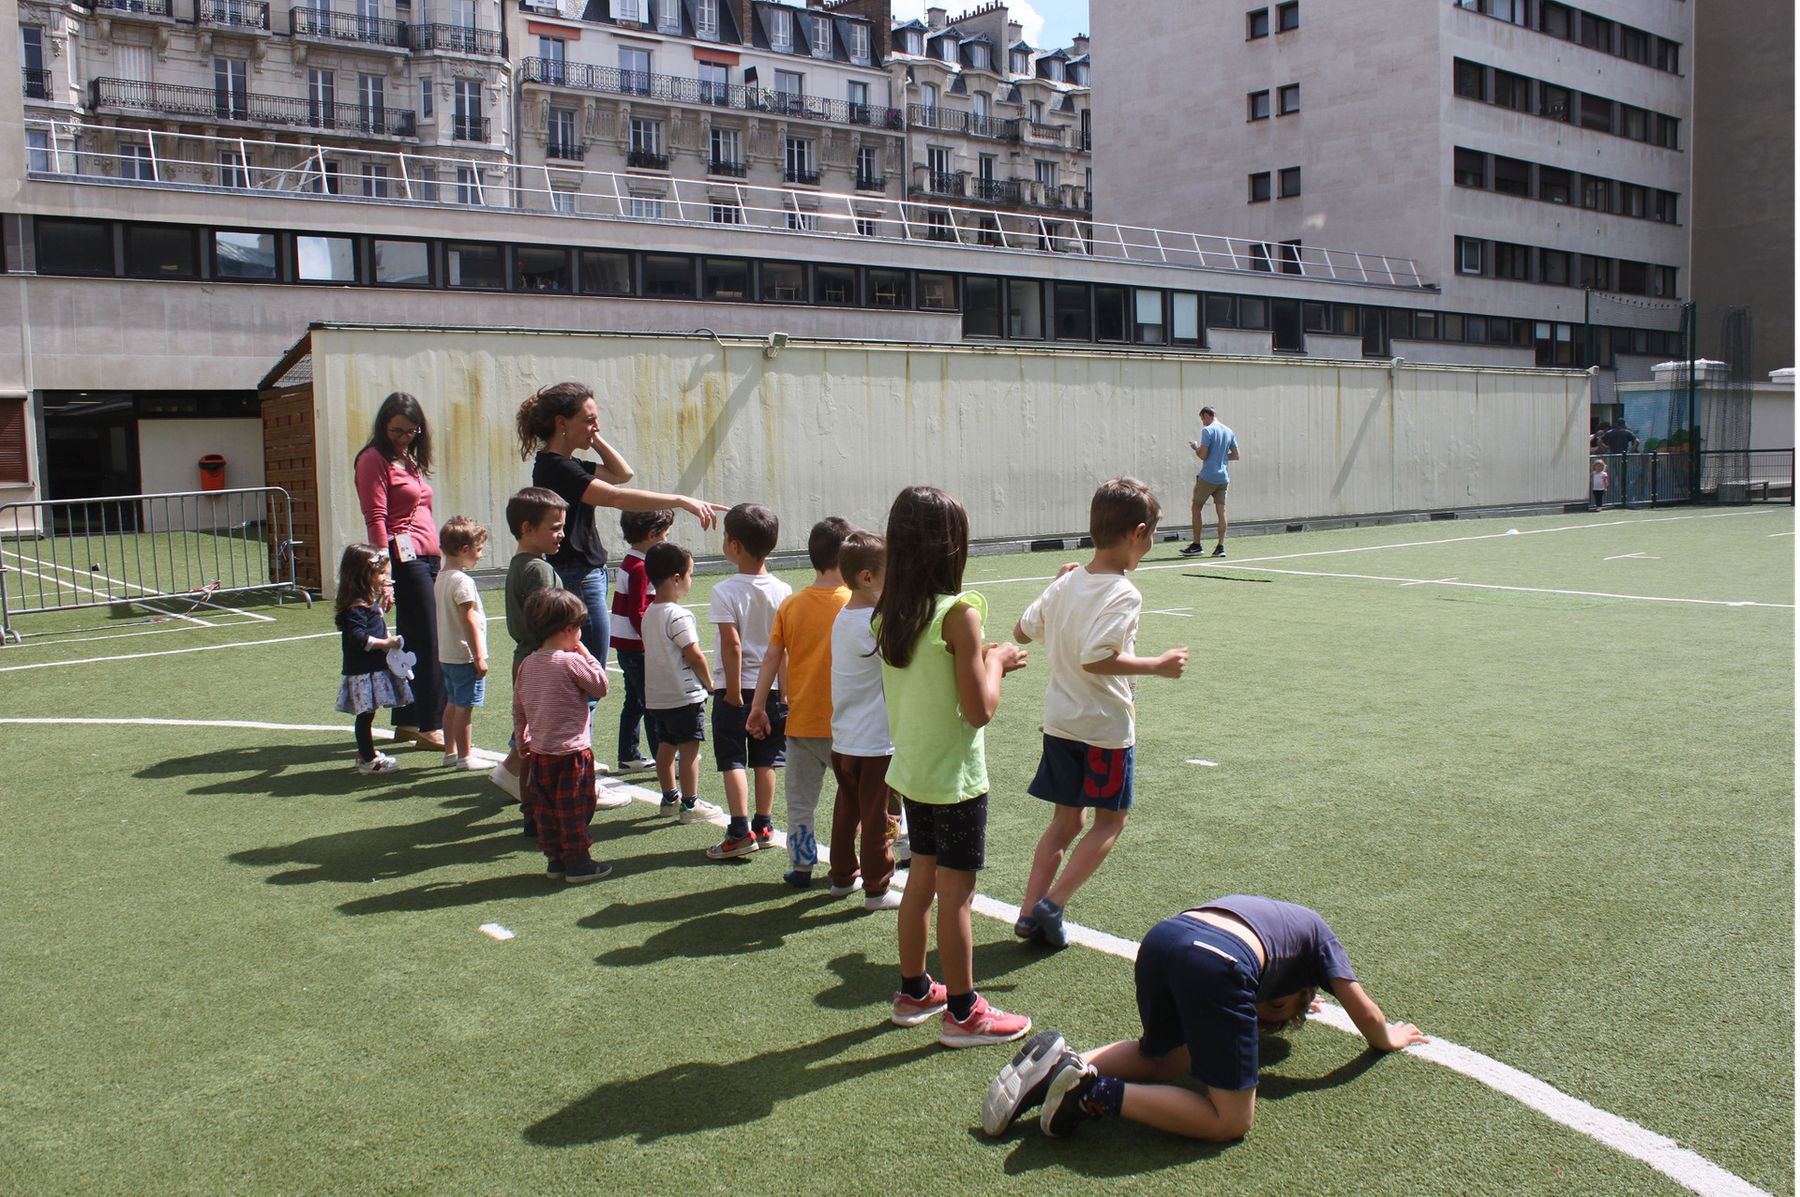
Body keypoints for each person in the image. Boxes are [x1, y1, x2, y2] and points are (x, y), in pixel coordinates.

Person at [980, 896, 1428, 1141]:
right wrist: (1387, 1036)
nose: (1259, 1008)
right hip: (1219, 961)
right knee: (1230, 1121)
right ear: (1310, 990)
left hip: (1163, 938)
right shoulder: (1318, 941)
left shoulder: (1283, 928)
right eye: (1274, 1007)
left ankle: (1063, 1062)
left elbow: (1258, 976)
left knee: (1163, 1059)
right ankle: (1095, 1091)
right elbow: (1363, 1011)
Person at [877, 485, 1032, 1048]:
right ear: (950, 548)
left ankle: (914, 989)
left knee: (920, 878)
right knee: (957, 893)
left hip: (915, 772)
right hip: (955, 779)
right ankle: (964, 1012)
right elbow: (980, 709)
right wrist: (996, 659)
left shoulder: (890, 612)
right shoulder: (959, 614)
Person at [1012, 479, 1188, 947]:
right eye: (1151, 537)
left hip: (1060, 722)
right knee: (1111, 821)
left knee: (1065, 822)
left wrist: (1056, 587)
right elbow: (1097, 656)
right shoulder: (1125, 593)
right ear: (1137, 532)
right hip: (1104, 728)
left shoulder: (1069, 580)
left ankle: (1028, 913)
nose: (1149, 546)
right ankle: (1053, 904)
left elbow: (1021, 629)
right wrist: (1157, 665)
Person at [515, 382, 727, 771]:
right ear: (562, 423)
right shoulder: (556, 467)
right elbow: (614, 497)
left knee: (580, 663)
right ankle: (557, 757)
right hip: (576, 573)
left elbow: (622, 474)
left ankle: (541, 756)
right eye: (589, 420)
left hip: (585, 571)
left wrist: (593, 438)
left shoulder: (568, 464)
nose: (595, 427)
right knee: (584, 667)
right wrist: (680, 499)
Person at [748, 517, 853, 888]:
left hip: (802, 723)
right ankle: (866, 859)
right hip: (849, 728)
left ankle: (802, 865)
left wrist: (758, 706)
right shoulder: (856, 603)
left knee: (801, 802)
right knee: (861, 800)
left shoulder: (792, 605)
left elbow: (772, 658)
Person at [353, 391, 446, 750]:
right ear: (383, 427)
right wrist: (384, 573)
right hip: (403, 559)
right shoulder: (372, 459)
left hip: (427, 555)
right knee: (429, 639)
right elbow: (375, 518)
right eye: (396, 431)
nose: (404, 437)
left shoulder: (409, 460)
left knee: (412, 637)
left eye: (411, 431)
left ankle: (408, 720)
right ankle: (432, 723)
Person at [705, 504, 791, 860]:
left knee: (732, 760)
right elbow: (784, 649)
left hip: (734, 691)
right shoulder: (784, 589)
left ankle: (739, 831)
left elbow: (732, 644)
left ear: (735, 545)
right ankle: (764, 824)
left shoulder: (725, 590)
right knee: (765, 760)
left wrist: (736, 693)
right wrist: (785, 694)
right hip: (771, 690)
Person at [827, 530, 905, 912]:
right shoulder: (874, 624)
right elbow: (902, 661)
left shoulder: (844, 618)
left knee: (848, 809)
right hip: (874, 742)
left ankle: (842, 877)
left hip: (844, 740)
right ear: (867, 578)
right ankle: (876, 886)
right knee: (878, 816)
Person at [513, 588, 613, 884]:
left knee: (547, 809)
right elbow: (601, 686)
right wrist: (586, 653)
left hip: (541, 753)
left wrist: (522, 739)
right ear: (568, 630)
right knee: (575, 808)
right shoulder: (570, 662)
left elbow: (518, 708)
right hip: (572, 754)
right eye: (578, 629)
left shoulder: (527, 664)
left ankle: (555, 859)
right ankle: (578, 862)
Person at [489, 488, 564, 809]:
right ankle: (539, 797)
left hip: (527, 658)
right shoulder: (537, 569)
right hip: (542, 660)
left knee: (532, 729)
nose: (561, 534)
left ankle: (520, 782)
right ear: (526, 528)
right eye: (554, 527)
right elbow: (549, 620)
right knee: (544, 732)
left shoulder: (524, 564)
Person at [640, 541, 722, 825]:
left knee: (665, 746)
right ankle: (690, 803)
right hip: (684, 695)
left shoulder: (650, 613)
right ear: (676, 578)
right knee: (689, 750)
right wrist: (710, 682)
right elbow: (693, 654)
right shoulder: (678, 615)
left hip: (658, 697)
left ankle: (669, 798)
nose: (690, 581)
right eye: (689, 575)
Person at [333, 542, 413, 775]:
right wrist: (386, 643)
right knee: (365, 716)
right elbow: (358, 638)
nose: (384, 578)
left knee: (368, 714)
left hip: (372, 669)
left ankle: (366, 753)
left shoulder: (367, 604)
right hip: (362, 671)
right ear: (361, 575)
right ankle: (368, 760)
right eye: (380, 573)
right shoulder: (356, 608)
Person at [611, 508, 675, 772]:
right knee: (651, 705)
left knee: (635, 701)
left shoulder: (631, 561)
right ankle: (665, 761)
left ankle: (629, 754)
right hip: (637, 648)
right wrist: (653, 640)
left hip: (629, 646)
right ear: (652, 535)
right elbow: (638, 611)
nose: (667, 541)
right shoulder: (640, 567)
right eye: (665, 536)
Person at [434, 516, 490, 769]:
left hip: (447, 654)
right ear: (464, 549)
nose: (479, 556)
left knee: (453, 703)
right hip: (463, 655)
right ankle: (465, 757)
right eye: (478, 550)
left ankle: (451, 752)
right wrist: (479, 656)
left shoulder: (442, 577)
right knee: (464, 707)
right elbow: (468, 619)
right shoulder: (462, 581)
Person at [1180, 405, 1240, 558]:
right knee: (1222, 512)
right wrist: (1221, 457)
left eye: (1202, 419)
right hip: (1223, 478)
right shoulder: (1229, 431)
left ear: (1206, 415)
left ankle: (1197, 545)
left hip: (1208, 477)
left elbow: (1203, 456)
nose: (1203, 423)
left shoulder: (1208, 430)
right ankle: (1220, 547)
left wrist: (1195, 448)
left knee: (1196, 507)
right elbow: (1235, 455)